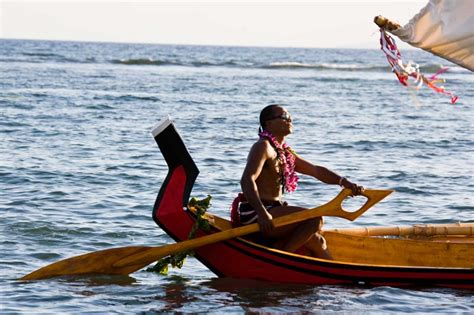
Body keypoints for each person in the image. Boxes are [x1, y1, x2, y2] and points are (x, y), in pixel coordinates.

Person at [232, 104, 364, 259]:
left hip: (274, 210)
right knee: (315, 219)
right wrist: (262, 213)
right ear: (269, 123)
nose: (290, 120)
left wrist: (344, 182)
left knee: (317, 241)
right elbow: (247, 180)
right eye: (284, 117)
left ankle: (340, 278)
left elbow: (315, 170)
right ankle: (280, 257)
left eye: (290, 117)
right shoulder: (263, 146)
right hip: (256, 213)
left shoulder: (283, 152)